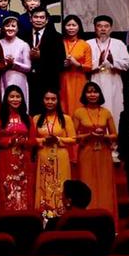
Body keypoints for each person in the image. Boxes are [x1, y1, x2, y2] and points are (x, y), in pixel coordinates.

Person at [72, 81, 117, 214]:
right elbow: (73, 136)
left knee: (105, 184)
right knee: (87, 182)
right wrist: (89, 135)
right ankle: (88, 215)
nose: (92, 95)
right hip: (86, 151)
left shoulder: (106, 112)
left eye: (95, 92)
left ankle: (106, 213)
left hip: (103, 151)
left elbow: (115, 135)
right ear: (84, 95)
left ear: (100, 94)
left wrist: (104, 136)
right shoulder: (78, 112)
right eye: (89, 92)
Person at [32, 90, 75, 218]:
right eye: (47, 99)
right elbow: (32, 139)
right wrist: (43, 140)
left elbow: (73, 139)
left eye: (53, 99)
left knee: (61, 184)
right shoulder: (36, 118)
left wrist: (58, 139)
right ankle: (44, 215)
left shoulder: (66, 119)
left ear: (58, 101)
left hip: (60, 155)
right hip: (43, 155)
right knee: (44, 184)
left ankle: (62, 214)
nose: (50, 102)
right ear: (42, 100)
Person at [0, 85, 33, 213]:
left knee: (23, 186)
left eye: (18, 96)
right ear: (6, 98)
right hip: (6, 156)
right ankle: (6, 214)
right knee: (6, 185)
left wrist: (25, 142)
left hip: (23, 157)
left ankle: (24, 213)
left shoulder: (27, 118)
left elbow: (33, 140)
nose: (15, 99)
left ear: (22, 99)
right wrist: (10, 141)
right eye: (12, 96)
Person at [90, 15, 129, 120]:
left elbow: (128, 63)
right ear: (95, 28)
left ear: (111, 28)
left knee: (115, 109)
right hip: (96, 80)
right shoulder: (88, 44)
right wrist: (98, 62)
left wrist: (113, 61)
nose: (103, 29)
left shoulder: (119, 44)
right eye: (100, 26)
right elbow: (84, 65)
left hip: (114, 81)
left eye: (106, 26)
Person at [25, 8, 65, 116]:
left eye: (42, 17)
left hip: (48, 81)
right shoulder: (23, 35)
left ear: (47, 20)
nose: (38, 20)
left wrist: (41, 56)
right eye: (36, 17)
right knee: (30, 112)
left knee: (47, 114)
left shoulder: (56, 37)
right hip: (28, 81)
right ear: (30, 19)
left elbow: (60, 62)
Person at [57, 15, 95, 116]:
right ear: (64, 27)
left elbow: (89, 67)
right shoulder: (59, 42)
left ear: (79, 27)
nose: (71, 28)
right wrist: (62, 64)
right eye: (68, 25)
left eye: (74, 25)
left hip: (79, 79)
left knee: (78, 106)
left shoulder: (85, 45)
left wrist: (76, 64)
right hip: (62, 79)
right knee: (63, 105)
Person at [0, 16, 33, 109]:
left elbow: (28, 67)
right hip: (3, 79)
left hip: (19, 79)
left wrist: (14, 64)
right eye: (7, 26)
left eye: (13, 26)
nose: (10, 28)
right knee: (4, 104)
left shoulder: (23, 44)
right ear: (3, 28)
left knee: (19, 105)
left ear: (18, 28)